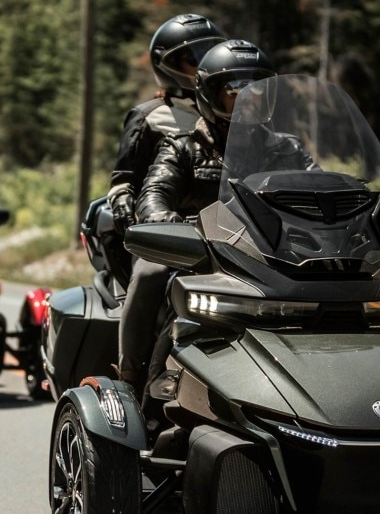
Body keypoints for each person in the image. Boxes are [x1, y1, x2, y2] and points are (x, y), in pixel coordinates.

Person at [117, 39, 276, 392]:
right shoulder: (183, 147)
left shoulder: (284, 148)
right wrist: (168, 224)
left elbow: (317, 181)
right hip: (197, 250)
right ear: (210, 94)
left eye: (257, 88)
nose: (248, 97)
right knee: (149, 271)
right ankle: (131, 377)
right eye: (236, 90)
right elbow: (154, 194)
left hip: (267, 251)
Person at [108, 14, 226, 235]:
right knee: (149, 272)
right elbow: (125, 181)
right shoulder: (149, 117)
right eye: (195, 58)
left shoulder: (231, 114)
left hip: (232, 226)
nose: (205, 66)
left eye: (211, 56)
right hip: (170, 229)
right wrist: (126, 205)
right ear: (170, 65)